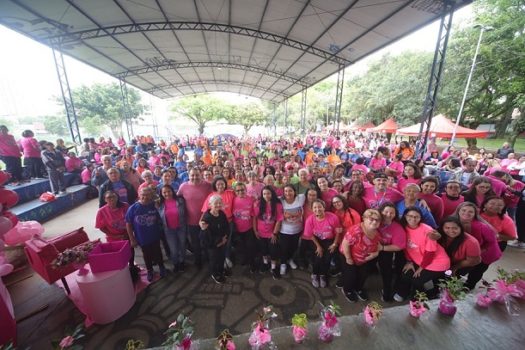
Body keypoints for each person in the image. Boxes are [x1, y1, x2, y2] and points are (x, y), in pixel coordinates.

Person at [393, 207, 450, 301]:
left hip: (437, 262)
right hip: (418, 260)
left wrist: (421, 268)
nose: (413, 219)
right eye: (410, 216)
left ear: (420, 218)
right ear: (405, 216)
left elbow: (430, 253)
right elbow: (406, 248)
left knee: (417, 280)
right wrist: (409, 261)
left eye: (417, 217)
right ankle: (402, 293)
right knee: (406, 273)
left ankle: (419, 298)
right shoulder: (403, 227)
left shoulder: (427, 230)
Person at [452, 202, 501, 290]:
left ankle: (469, 286)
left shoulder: (482, 227)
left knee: (477, 271)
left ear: (475, 214)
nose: (466, 213)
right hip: (470, 252)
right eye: (463, 210)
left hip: (487, 252)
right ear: (458, 211)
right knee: (462, 268)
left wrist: (480, 251)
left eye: (470, 212)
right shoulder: (454, 222)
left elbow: (491, 242)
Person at [339, 209, 382, 302]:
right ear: (364, 219)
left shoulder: (377, 232)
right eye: (371, 219)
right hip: (349, 256)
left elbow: (378, 246)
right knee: (351, 275)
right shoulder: (356, 230)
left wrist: (376, 253)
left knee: (363, 275)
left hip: (364, 259)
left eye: (377, 220)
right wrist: (348, 258)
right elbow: (345, 244)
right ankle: (347, 290)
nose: (374, 221)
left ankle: (358, 288)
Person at [126, 187, 166, 282]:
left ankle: (162, 267)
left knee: (158, 252)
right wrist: (132, 239)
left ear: (151, 196)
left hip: (155, 235)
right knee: (146, 255)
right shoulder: (133, 208)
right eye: (143, 194)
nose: (145, 197)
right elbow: (128, 224)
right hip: (142, 237)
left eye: (148, 194)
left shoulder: (154, 205)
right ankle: (150, 270)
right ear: (139, 195)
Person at [303, 199, 342, 288]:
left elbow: (338, 232)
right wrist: (318, 246)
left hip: (329, 240)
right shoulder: (310, 219)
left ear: (324, 207)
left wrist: (335, 244)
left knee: (327, 258)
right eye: (315, 207)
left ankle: (323, 275)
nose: (317, 209)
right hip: (316, 240)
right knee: (318, 257)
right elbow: (310, 235)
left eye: (319, 207)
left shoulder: (333, 217)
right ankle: (315, 274)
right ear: (312, 209)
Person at [376, 202, 407, 302]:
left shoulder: (397, 228)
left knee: (386, 270)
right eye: (386, 212)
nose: (388, 215)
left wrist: (382, 248)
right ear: (381, 212)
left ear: (395, 215)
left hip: (386, 249)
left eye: (391, 213)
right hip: (372, 247)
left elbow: (398, 246)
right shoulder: (375, 221)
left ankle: (387, 290)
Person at [253, 186, 283, 279]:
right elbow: (254, 218)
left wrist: (274, 233)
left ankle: (273, 268)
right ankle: (265, 263)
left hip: (271, 234)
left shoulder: (277, 205)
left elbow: (279, 220)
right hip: (260, 233)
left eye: (268, 193)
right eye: (264, 194)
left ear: (272, 194)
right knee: (263, 249)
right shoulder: (258, 204)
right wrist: (255, 231)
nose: (266, 195)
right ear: (262, 195)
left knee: (273, 251)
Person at [158, 185, 187, 273]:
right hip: (169, 230)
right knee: (173, 249)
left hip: (181, 227)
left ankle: (182, 262)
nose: (167, 194)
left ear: (172, 191)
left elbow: (186, 212)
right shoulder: (159, 204)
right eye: (164, 192)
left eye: (169, 191)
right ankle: (176, 263)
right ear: (161, 194)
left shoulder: (180, 201)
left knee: (182, 246)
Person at [278, 184, 305, 275]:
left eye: (290, 191)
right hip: (285, 230)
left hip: (297, 229)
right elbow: (276, 212)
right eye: (285, 191)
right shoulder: (281, 201)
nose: (288, 193)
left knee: (294, 247)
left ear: (294, 192)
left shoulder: (300, 198)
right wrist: (284, 216)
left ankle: (290, 260)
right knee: (284, 248)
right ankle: (283, 264)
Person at [231, 182, 257, 272]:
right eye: (238, 190)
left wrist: (255, 229)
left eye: (242, 190)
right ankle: (245, 259)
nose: (240, 192)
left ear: (245, 190)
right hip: (237, 229)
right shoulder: (233, 200)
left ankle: (252, 263)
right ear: (235, 191)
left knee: (250, 246)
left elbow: (254, 215)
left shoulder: (251, 199)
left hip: (249, 228)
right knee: (241, 246)